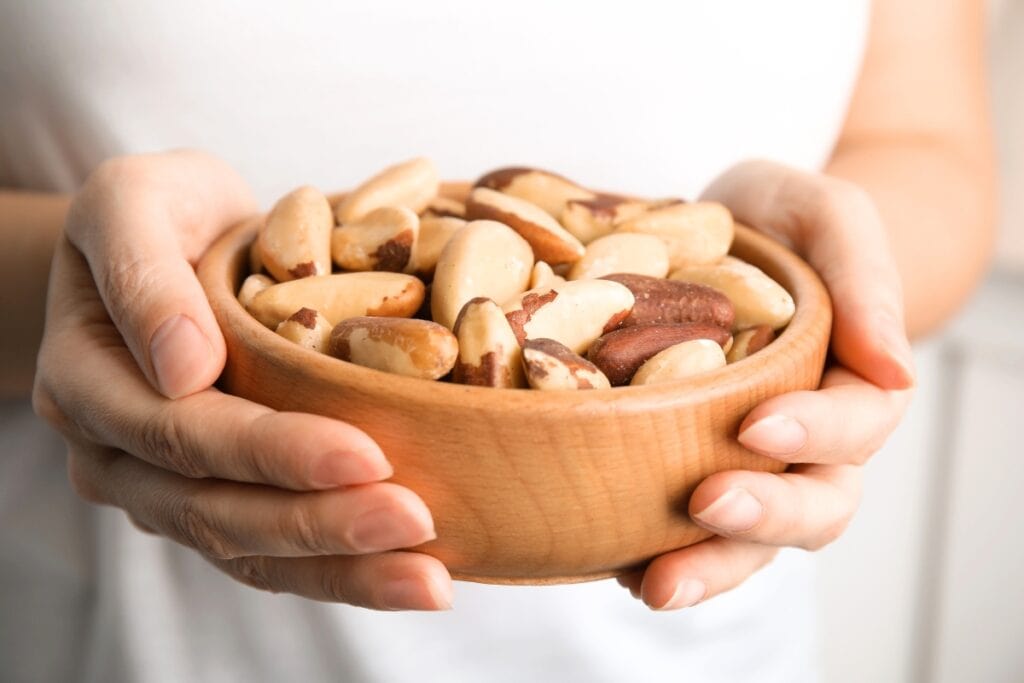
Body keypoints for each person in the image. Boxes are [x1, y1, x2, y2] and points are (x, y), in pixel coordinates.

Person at [0, 1, 996, 681]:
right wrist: (69, 288)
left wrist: (832, 299)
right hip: (112, 640)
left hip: (695, 647)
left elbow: (924, 145)